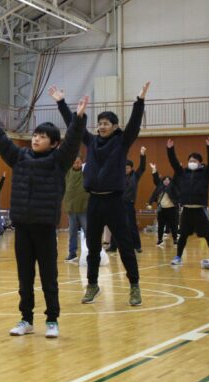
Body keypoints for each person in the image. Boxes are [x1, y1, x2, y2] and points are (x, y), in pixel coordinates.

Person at [0, 95, 88, 338]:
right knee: (25, 278)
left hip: (45, 229)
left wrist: (78, 119)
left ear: (54, 144)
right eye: (35, 135)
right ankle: (26, 319)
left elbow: (72, 143)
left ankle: (52, 320)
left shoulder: (58, 161)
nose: (36, 139)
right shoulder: (19, 157)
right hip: (22, 228)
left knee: (49, 278)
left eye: (42, 137)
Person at [49, 82, 150, 307]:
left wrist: (140, 101)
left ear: (115, 126)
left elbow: (134, 124)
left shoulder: (122, 141)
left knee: (125, 246)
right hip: (94, 200)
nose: (102, 126)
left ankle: (134, 286)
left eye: (106, 123)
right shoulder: (92, 142)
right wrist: (61, 103)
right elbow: (75, 126)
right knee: (93, 247)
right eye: (100, 123)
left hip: (114, 201)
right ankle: (92, 285)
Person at [167, 137, 209, 267]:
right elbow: (174, 163)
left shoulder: (205, 173)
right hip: (186, 209)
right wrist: (170, 149)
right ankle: (178, 257)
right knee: (183, 235)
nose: (191, 162)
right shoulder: (182, 173)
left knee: (207, 235)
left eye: (194, 161)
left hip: (200, 209)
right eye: (190, 160)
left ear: (200, 163)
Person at [107, 146, 147, 253]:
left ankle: (137, 246)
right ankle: (113, 246)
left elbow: (142, 167)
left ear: (131, 168)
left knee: (132, 225)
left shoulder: (135, 176)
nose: (126, 169)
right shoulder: (118, 176)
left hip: (129, 204)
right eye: (124, 168)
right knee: (115, 225)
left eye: (128, 168)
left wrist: (142, 155)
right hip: (118, 204)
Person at [63, 156, 89, 262]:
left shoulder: (86, 172)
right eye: (74, 162)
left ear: (82, 163)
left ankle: (90, 252)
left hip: (84, 208)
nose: (76, 164)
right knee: (72, 232)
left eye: (78, 162)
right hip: (71, 208)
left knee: (88, 231)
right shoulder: (67, 172)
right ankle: (72, 253)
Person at [147, 163, 179, 247]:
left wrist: (177, 168)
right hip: (162, 210)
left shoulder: (172, 186)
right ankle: (160, 240)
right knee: (161, 226)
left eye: (168, 180)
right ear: (163, 181)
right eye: (165, 180)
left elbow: (176, 178)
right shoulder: (159, 186)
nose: (166, 181)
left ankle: (175, 240)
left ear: (170, 181)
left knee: (174, 226)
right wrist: (154, 169)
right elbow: (156, 179)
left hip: (172, 209)